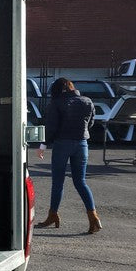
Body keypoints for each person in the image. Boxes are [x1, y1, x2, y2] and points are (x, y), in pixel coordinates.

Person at [36, 77, 101, 233]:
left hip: (62, 144)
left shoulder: (57, 103)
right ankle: (93, 217)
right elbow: (90, 123)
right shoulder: (87, 101)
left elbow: (51, 127)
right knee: (81, 182)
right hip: (82, 144)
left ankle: (53, 215)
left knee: (58, 183)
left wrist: (43, 145)